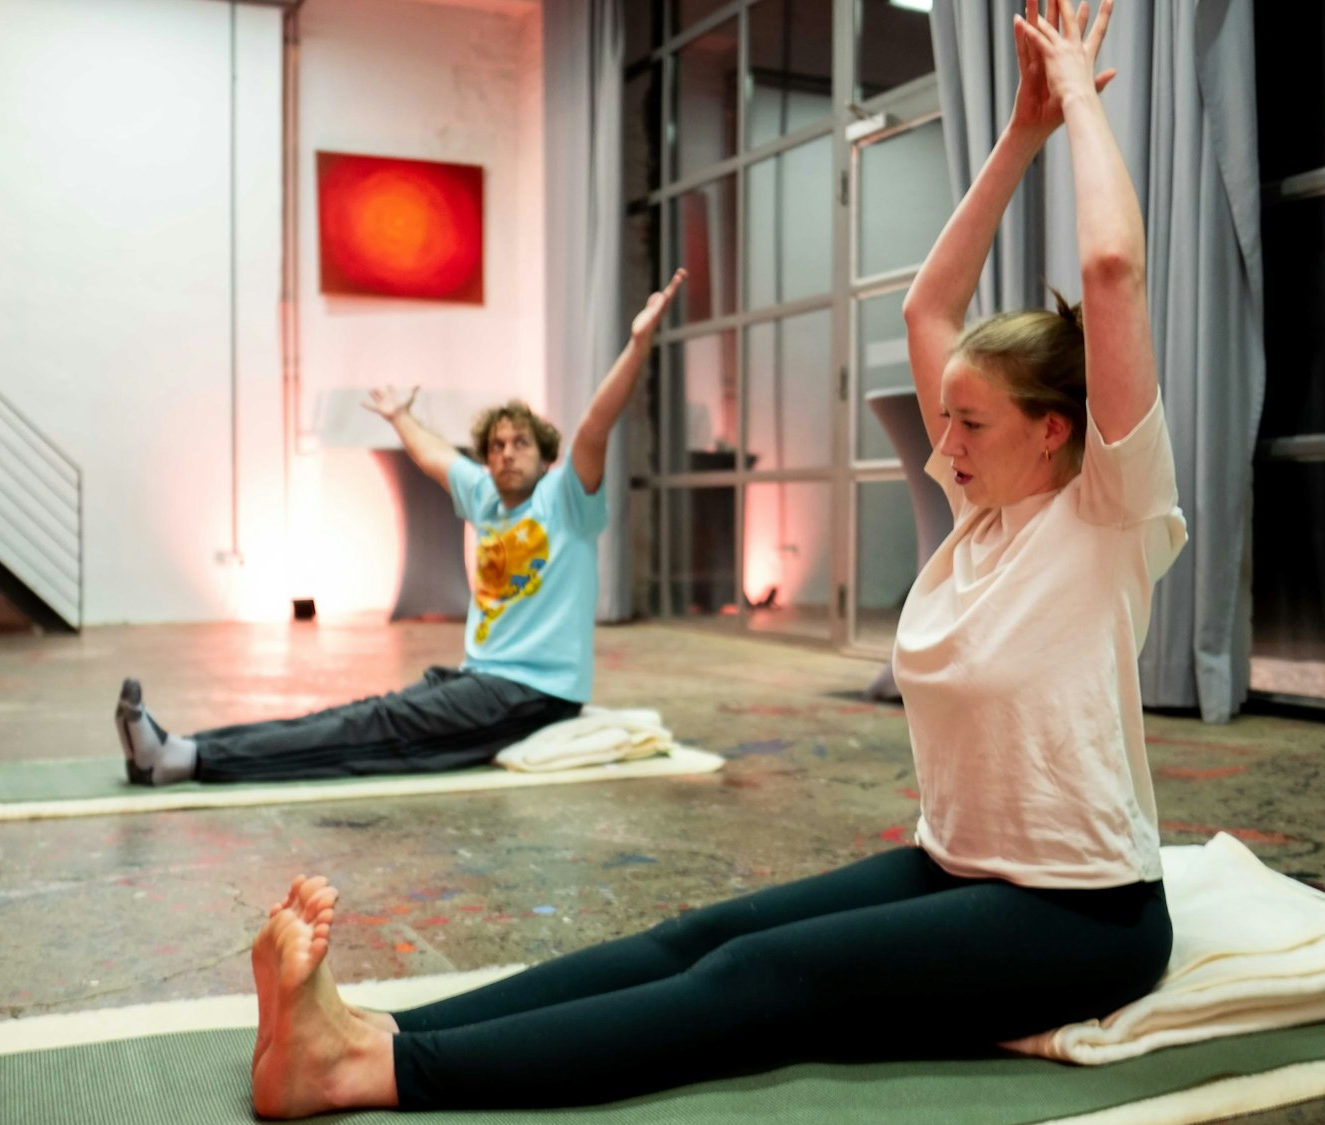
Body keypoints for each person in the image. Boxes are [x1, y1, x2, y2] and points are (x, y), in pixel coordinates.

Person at [242, 1, 1188, 1114]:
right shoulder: (981, 511)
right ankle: (374, 1026)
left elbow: (1113, 269)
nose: (942, 444)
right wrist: (1017, 132)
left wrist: (1075, 91)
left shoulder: (1107, 513)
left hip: (1082, 915)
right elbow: (930, 301)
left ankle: (368, 1074)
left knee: (762, 977)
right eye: (947, 418)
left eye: (968, 426)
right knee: (697, 932)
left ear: (1055, 431)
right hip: (960, 868)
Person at [112, 269, 688, 786]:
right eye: (496, 446)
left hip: (531, 696)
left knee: (373, 729)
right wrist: (400, 417)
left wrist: (637, 345)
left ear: (545, 457)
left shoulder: (565, 502)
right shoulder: (487, 499)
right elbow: (437, 456)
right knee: (349, 716)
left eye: (521, 445)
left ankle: (184, 761)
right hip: (479, 681)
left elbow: (594, 426)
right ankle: (177, 750)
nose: (507, 455)